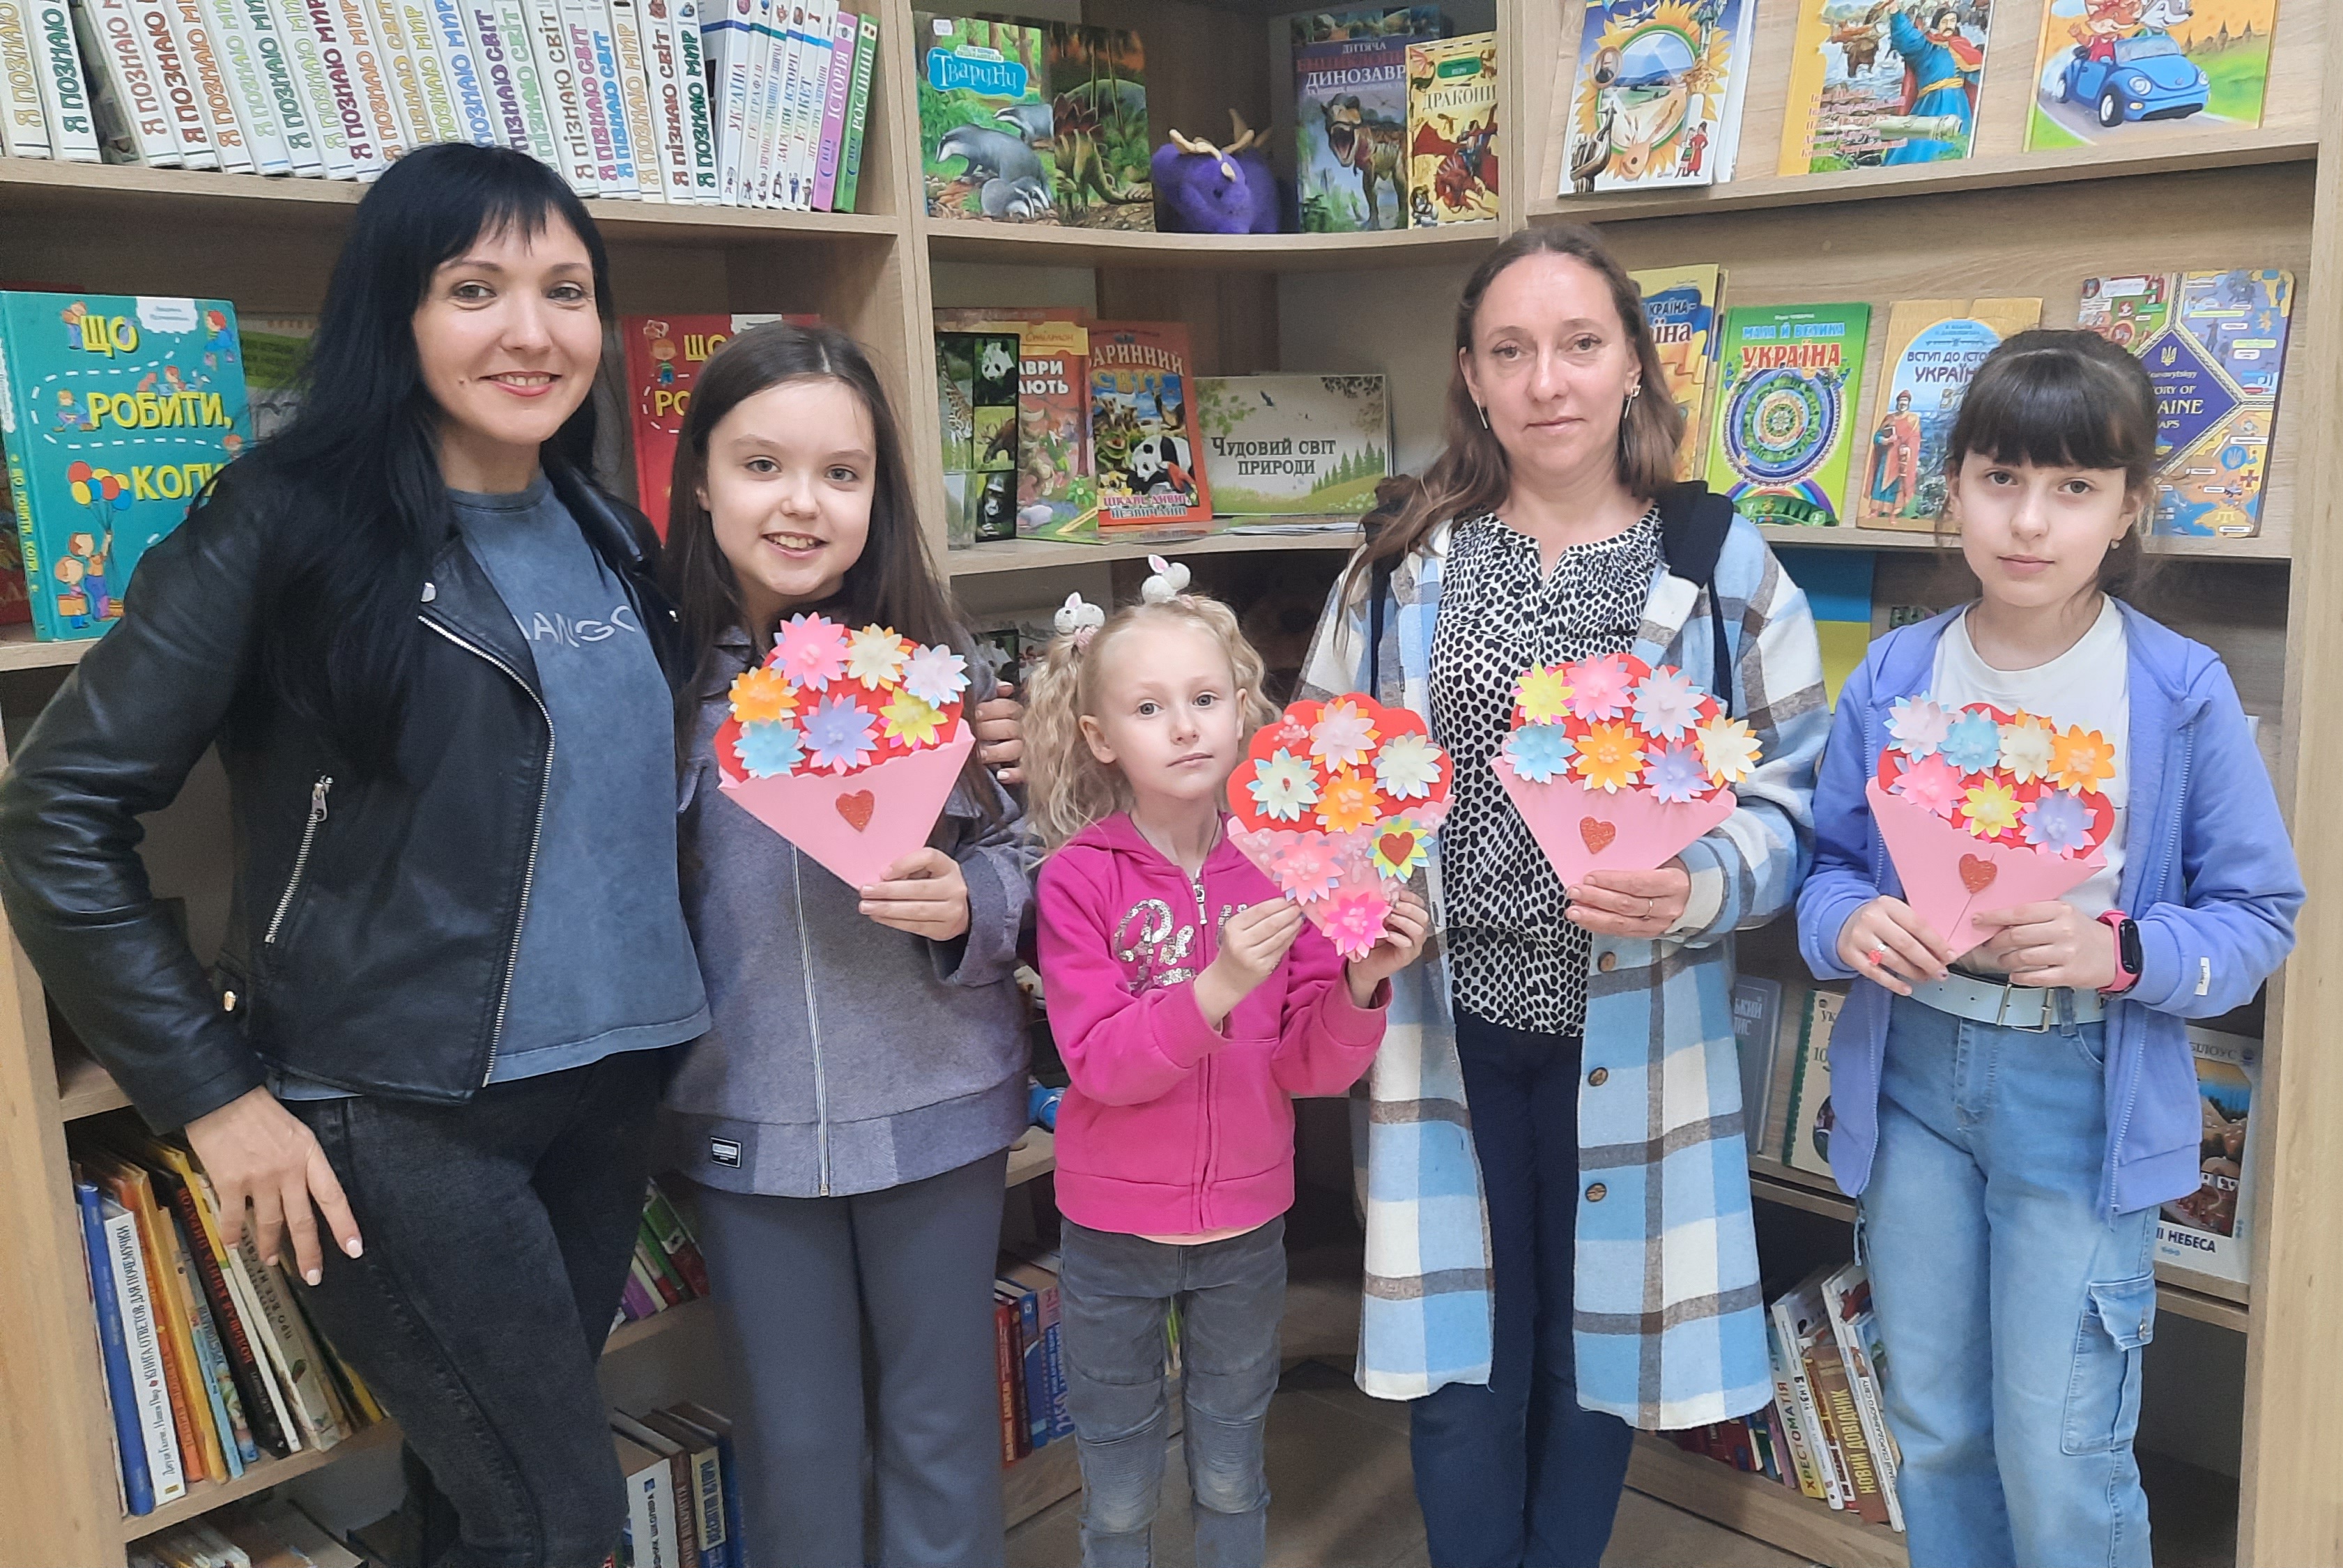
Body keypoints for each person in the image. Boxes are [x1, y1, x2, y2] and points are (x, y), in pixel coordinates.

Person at [0, 144, 704, 1563]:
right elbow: (54, 813)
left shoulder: (607, 525)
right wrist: (214, 1098)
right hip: (401, 1114)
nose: (531, 331)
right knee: (560, 1521)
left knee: (475, 1500)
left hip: (609, 1090)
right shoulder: (287, 522)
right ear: (397, 313)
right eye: (474, 289)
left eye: (567, 291)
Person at [1293, 222, 1830, 1568]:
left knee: (1593, 1357)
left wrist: (1702, 879)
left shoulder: (1718, 563)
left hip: (1631, 1030)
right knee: (1458, 1362)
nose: (1548, 381)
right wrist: (1360, 912)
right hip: (1447, 1023)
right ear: (1472, 378)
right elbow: (1318, 769)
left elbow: (1794, 798)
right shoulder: (1399, 564)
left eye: (1580, 344)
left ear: (1634, 363)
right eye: (1511, 351)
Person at [1797, 330, 2301, 1567]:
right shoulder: (1897, 670)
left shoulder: (2175, 689)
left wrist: (2116, 948)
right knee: (1936, 1428)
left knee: (2059, 1443)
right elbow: (1827, 870)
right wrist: (1846, 922)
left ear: (2128, 509)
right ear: (1952, 488)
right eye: (1999, 478)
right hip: (1912, 1079)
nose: (2028, 520)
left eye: (2074, 486)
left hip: (2077, 1093)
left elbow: (2257, 915)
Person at [656, 321, 1034, 1568]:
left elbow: (1028, 852)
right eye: (761, 465)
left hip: (937, 1105)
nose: (802, 504)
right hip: (745, 1121)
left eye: (842, 472)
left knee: (940, 1432)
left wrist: (971, 901)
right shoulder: (658, 679)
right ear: (700, 478)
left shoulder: (935, 665)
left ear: (879, 491)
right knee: (798, 1447)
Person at [1024, 580, 1426, 1568]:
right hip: (1112, 1234)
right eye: (1148, 706)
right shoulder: (1077, 876)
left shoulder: (1289, 864)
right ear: (1099, 735)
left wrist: (1362, 983)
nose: (1184, 727)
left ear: (1241, 710)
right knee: (1118, 1488)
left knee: (1233, 1472)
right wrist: (1214, 988)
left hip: (1245, 1229)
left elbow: (1308, 1069)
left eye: (1204, 699)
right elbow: (1098, 1063)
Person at [1868, 389, 1922, 517]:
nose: (1902, 404)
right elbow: (1877, 436)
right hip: (1887, 456)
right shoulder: (1889, 418)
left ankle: (1894, 512)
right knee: (1880, 482)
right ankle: (1875, 510)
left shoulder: (1912, 419)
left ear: (1908, 403)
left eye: (1905, 402)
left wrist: (1907, 448)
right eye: (1901, 401)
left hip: (1900, 457)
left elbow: (1915, 438)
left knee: (1896, 486)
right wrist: (1885, 440)